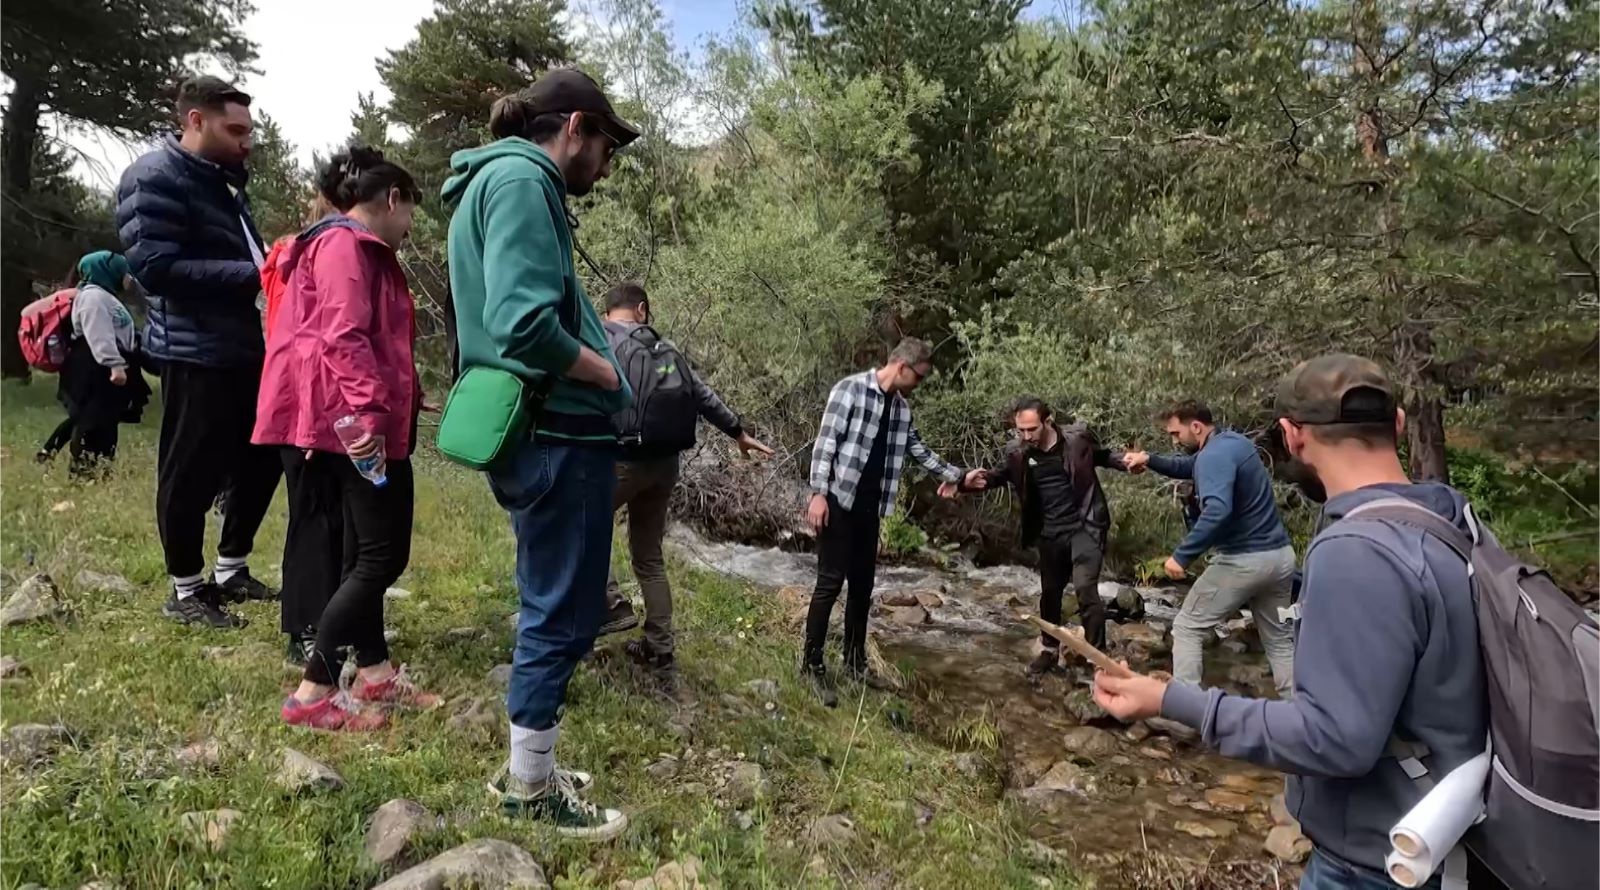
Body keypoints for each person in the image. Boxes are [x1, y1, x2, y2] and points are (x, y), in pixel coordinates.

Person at [1093, 355, 1488, 890]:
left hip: (1379, 861)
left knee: (1188, 627)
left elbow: (1338, 741)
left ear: (1292, 436)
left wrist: (1171, 700)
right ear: (1397, 424)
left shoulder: (1356, 553)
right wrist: (1156, 461)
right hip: (1457, 832)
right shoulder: (1451, 518)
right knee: (1285, 646)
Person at [443, 68, 638, 839]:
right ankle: (530, 788)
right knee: (565, 612)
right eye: (607, 146)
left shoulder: (489, 184)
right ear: (577, 127)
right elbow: (524, 323)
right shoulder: (525, 182)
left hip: (534, 431)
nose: (607, 164)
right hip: (559, 431)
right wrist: (603, 370)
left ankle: (532, 763)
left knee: (545, 601)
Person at [253, 147, 434, 730]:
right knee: (383, 555)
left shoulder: (350, 248)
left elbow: (373, 338)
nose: (409, 229)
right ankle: (314, 692)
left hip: (351, 422)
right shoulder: (343, 248)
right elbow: (343, 337)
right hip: (351, 430)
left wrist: (409, 389)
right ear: (392, 199)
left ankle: (376, 673)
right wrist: (368, 418)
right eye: (410, 214)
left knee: (363, 552)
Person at [115, 75, 281, 628]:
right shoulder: (153, 177)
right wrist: (253, 273)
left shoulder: (223, 181)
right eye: (236, 130)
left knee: (263, 457)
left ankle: (231, 570)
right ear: (195, 121)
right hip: (193, 350)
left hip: (244, 346)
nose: (247, 141)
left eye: (249, 131)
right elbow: (154, 269)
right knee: (189, 471)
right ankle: (185, 591)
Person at [596, 282, 774, 697]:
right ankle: (660, 648)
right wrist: (738, 432)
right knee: (650, 556)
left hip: (622, 460)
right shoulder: (665, 348)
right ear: (641, 309)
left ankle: (610, 602)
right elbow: (701, 394)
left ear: (608, 313)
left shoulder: (602, 340)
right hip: (665, 464)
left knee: (584, 524)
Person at [804, 337, 977, 707]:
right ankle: (812, 666)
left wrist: (957, 477)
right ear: (902, 367)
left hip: (870, 509)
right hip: (838, 502)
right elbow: (825, 444)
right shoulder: (849, 390)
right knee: (829, 585)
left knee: (862, 588)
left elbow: (917, 449)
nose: (919, 384)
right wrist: (818, 493)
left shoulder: (901, 409)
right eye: (919, 377)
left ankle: (854, 663)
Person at [1122, 400, 1297, 732]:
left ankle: (1186, 715)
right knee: (1278, 640)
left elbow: (1217, 509)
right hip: (1279, 558)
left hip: (1245, 560)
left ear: (1196, 427)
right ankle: (1302, 713)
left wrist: (1182, 556)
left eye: (1176, 433)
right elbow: (1191, 465)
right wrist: (1151, 460)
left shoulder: (1213, 456)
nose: (1174, 440)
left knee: (1187, 628)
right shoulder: (1232, 444)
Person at [957, 397, 1129, 674]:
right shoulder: (1018, 452)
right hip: (1049, 533)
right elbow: (1001, 476)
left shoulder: (1076, 440)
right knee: (1050, 592)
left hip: (1084, 526)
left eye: (1032, 429)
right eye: (1021, 430)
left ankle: (1099, 661)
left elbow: (1100, 455)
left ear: (1048, 422)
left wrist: (1124, 462)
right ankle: (1049, 650)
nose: (1026, 436)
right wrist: (967, 483)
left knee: (1085, 589)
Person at [260, 188, 342, 668]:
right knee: (314, 515)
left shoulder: (292, 256)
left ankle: (322, 619)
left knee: (320, 513)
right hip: (306, 408)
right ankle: (306, 626)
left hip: (299, 403)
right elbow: (311, 343)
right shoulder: (316, 259)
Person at [52, 251, 153, 478]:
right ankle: (83, 475)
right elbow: (99, 333)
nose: (129, 277)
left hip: (103, 368)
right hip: (94, 369)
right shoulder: (92, 298)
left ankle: (100, 471)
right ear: (109, 271)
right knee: (92, 423)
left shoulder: (105, 297)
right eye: (124, 271)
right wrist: (114, 364)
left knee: (105, 422)